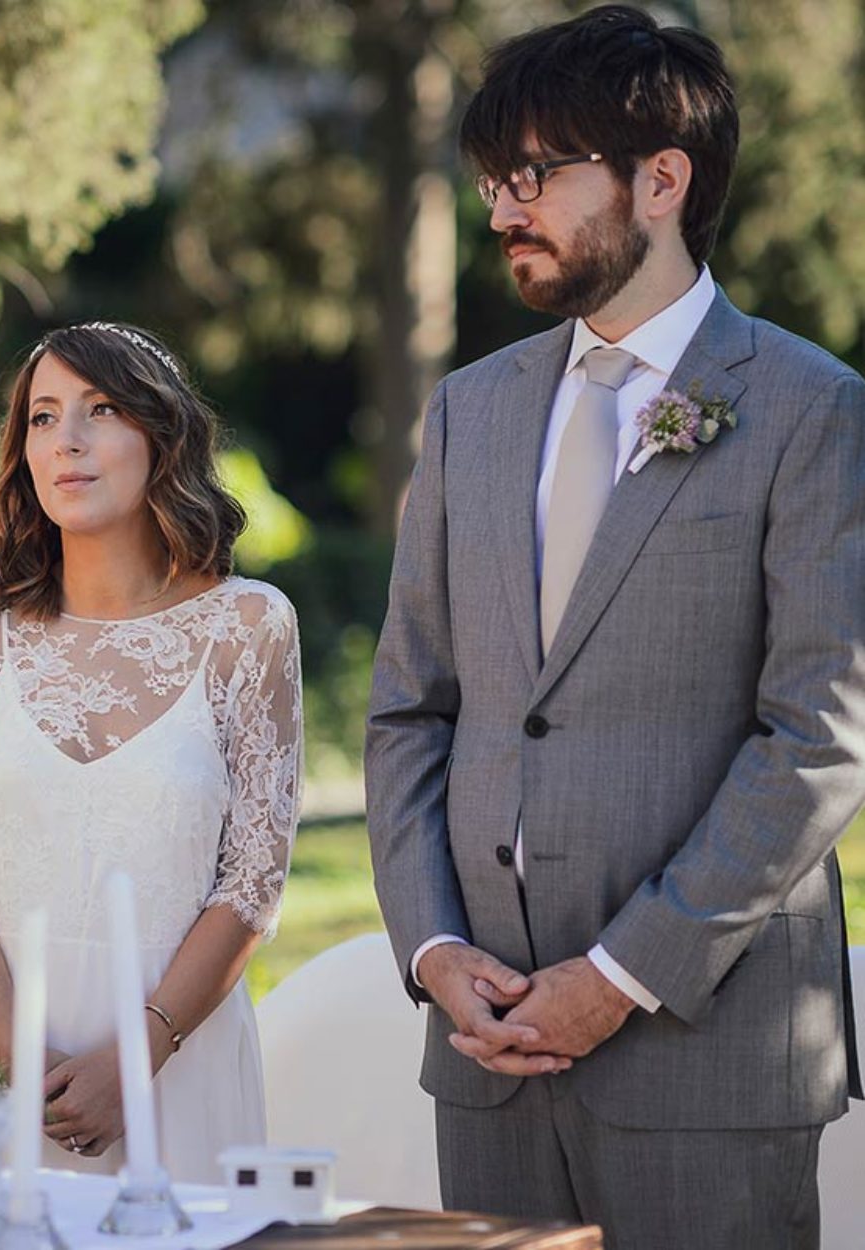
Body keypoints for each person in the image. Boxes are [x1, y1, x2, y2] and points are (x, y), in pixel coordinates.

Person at [364, 7, 864, 1247]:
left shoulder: (812, 409)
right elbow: (410, 708)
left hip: (707, 1048)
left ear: (663, 179)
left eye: (534, 175)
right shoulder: (470, 411)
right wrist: (433, 947)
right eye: (492, 181)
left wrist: (620, 974)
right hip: (487, 1056)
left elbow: (819, 735)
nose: (501, 209)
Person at [0, 321, 302, 1183]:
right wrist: (21, 1061)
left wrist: (137, 1058)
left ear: (163, 439)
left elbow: (253, 882)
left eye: (101, 409)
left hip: (177, 1063)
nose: (67, 442)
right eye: (42, 418)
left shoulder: (249, 625)